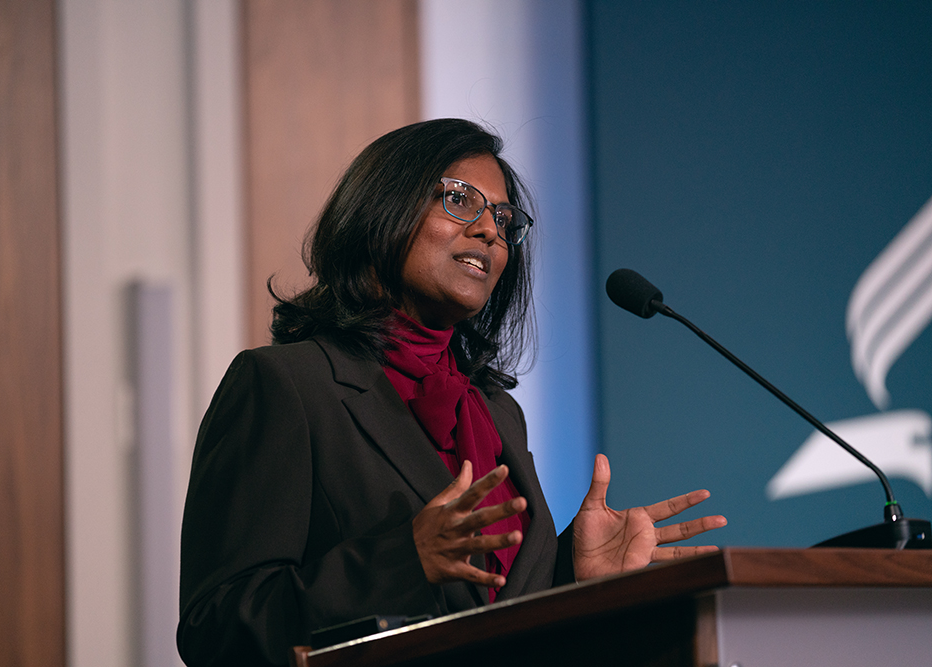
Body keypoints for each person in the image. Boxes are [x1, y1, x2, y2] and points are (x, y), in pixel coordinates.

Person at [176, 118, 726, 666]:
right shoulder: (285, 386)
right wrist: (402, 562)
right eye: (461, 200)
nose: (490, 231)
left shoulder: (495, 414)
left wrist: (572, 574)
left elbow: (494, 618)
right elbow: (216, 628)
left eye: (503, 218)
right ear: (383, 210)